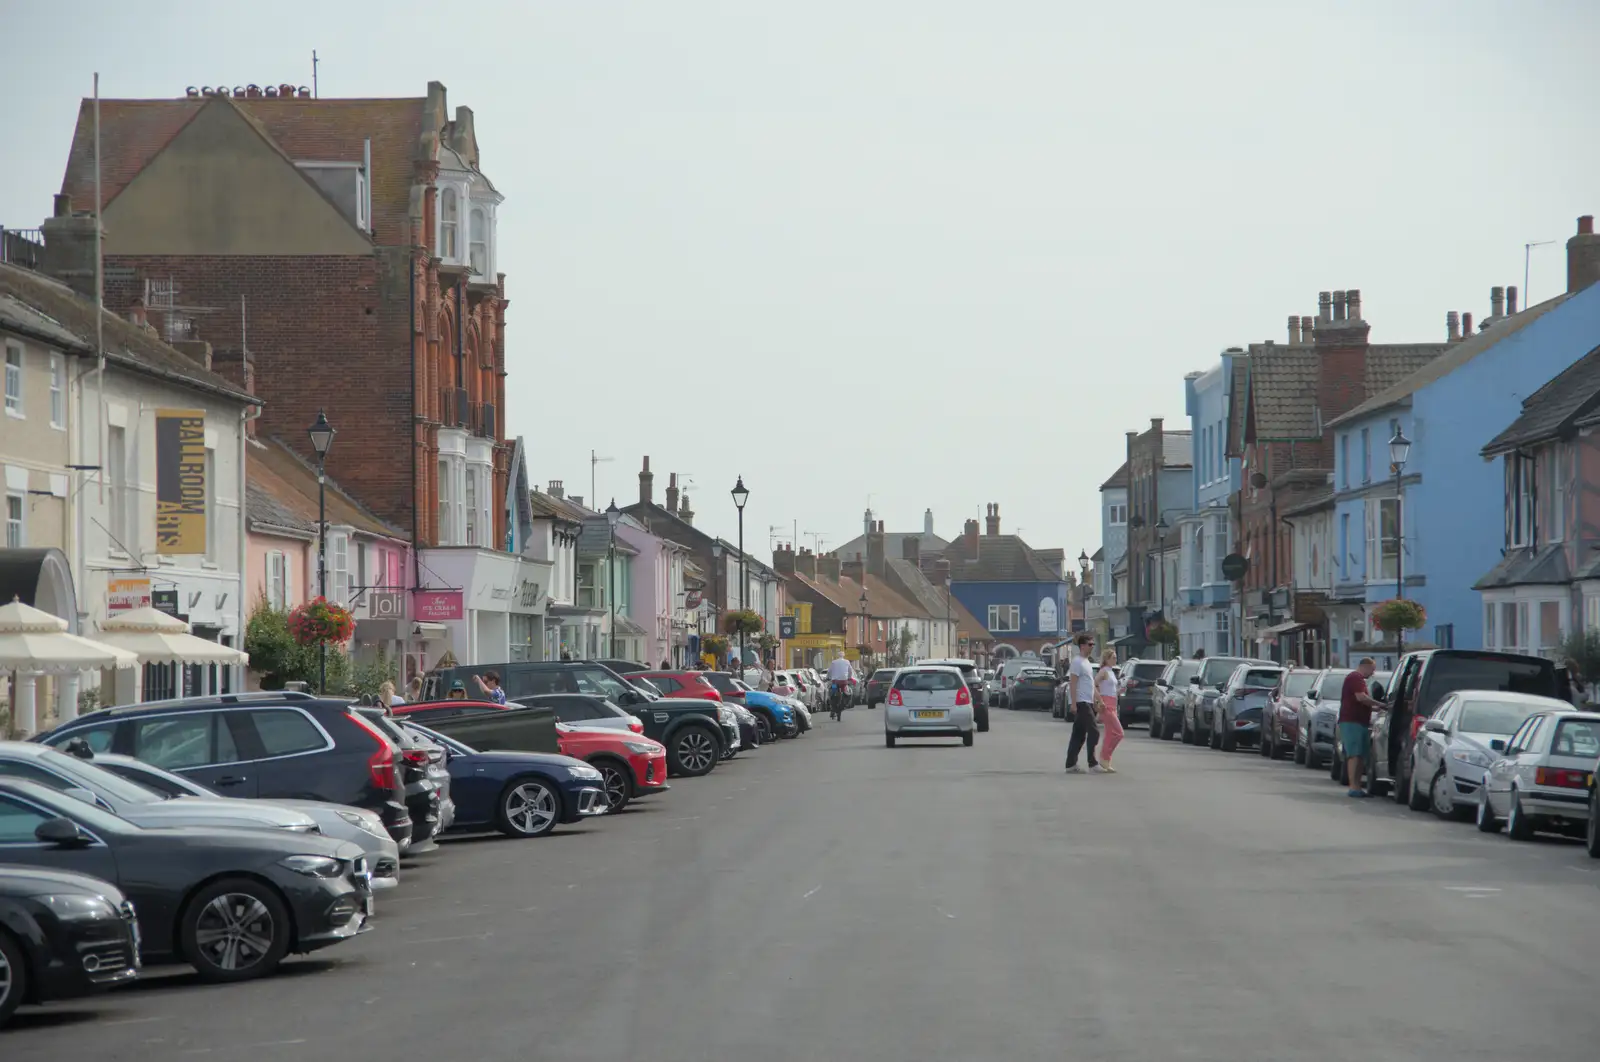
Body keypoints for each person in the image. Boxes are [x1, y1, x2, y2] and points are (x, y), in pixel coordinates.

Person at [1339, 657, 1382, 798]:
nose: (1372, 674)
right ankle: (1353, 787)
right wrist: (1380, 704)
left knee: (1360, 755)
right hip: (1352, 722)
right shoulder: (1355, 678)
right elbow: (1361, 698)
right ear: (1365, 666)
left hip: (1360, 722)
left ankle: (1357, 786)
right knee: (1354, 755)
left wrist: (1375, 708)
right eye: (1372, 670)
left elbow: (1361, 701)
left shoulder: (1359, 680)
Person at [1065, 634, 1102, 773]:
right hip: (1081, 702)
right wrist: (1073, 703)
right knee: (1094, 732)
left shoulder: (1087, 662)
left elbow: (1090, 684)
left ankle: (1070, 764)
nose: (1092, 647)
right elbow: (1073, 683)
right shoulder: (1077, 662)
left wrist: (1098, 699)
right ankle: (1092, 763)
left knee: (1079, 735)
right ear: (1082, 646)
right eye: (1090, 644)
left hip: (1088, 701)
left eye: (1093, 644)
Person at [1095, 649, 1124, 772]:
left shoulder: (1111, 672)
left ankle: (1106, 760)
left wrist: (1119, 692)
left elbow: (1110, 689)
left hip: (1113, 703)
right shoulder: (1103, 671)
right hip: (1106, 705)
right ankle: (1104, 756)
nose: (1115, 660)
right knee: (1119, 733)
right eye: (1113, 657)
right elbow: (1094, 685)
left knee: (1109, 733)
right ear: (1106, 659)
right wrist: (1099, 700)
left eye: (1116, 657)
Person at [826, 653, 854, 718]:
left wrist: (828, 677)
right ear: (843, 656)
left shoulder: (834, 662)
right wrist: (849, 677)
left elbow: (829, 671)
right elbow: (850, 671)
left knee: (832, 693)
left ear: (837, 656)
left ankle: (832, 709)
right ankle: (843, 705)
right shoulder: (847, 662)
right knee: (846, 692)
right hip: (844, 682)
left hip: (835, 682)